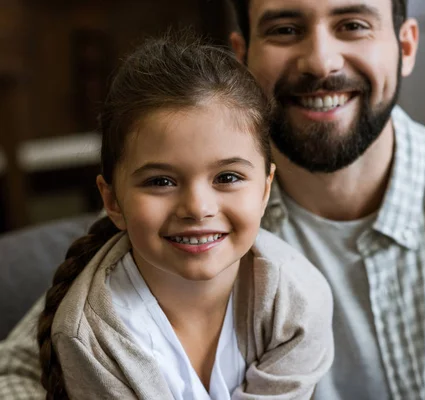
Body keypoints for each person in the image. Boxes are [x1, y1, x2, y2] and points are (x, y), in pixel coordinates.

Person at [0, 0, 425, 399]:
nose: (320, 61)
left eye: (353, 24)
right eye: (285, 29)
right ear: (242, 53)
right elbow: (28, 366)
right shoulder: (185, 232)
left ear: (406, 46)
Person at [34, 34, 333, 400]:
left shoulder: (299, 301)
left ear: (265, 189)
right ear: (111, 200)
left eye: (227, 178)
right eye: (161, 181)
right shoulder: (89, 337)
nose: (197, 207)